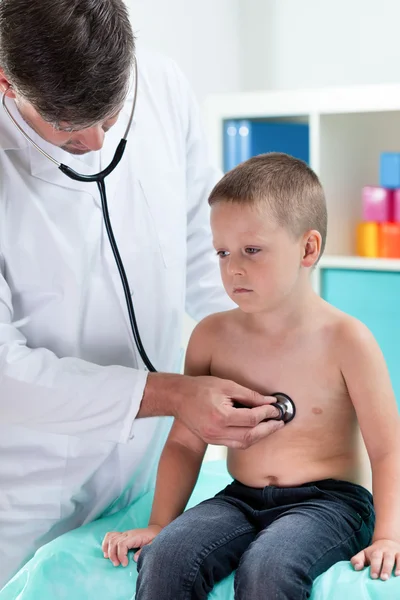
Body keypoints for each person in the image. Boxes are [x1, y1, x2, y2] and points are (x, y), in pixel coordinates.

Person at [0, 0, 282, 589]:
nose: (100, 141)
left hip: (146, 469)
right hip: (21, 487)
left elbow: (207, 253)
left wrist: (268, 348)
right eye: (74, 133)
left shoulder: (161, 83)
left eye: (111, 115)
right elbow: (8, 376)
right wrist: (175, 393)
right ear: (6, 84)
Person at [103, 153, 400, 599]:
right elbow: (185, 443)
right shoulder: (211, 337)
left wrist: (389, 537)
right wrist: (160, 524)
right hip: (241, 497)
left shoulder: (347, 341)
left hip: (330, 504)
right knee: (165, 558)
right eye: (222, 252)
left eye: (252, 250)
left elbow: (387, 449)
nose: (233, 267)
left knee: (268, 568)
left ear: (308, 248)